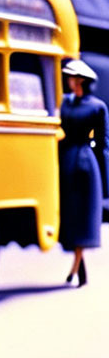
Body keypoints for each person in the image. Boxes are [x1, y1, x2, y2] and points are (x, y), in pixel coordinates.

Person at [58, 59, 108, 287]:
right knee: (70, 213)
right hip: (67, 158)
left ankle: (76, 266)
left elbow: (102, 141)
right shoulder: (65, 103)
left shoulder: (97, 107)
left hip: (85, 162)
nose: (70, 81)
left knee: (83, 214)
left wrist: (104, 174)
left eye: (73, 78)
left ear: (81, 80)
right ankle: (78, 265)